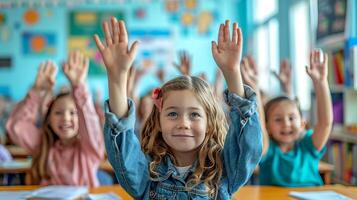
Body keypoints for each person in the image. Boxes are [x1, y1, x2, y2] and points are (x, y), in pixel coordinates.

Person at [93, 17, 262, 199]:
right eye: (172, 113)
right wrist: (117, 79)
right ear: (159, 120)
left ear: (210, 122)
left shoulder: (224, 171)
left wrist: (232, 73)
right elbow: (121, 143)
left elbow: (247, 144)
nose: (183, 123)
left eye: (195, 115)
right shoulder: (147, 174)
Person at [6, 52, 104, 186]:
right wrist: (36, 92)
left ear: (81, 118)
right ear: (48, 120)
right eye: (58, 112)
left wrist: (79, 86)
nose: (65, 118)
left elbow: (90, 124)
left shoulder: (90, 148)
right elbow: (16, 127)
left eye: (73, 112)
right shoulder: (44, 144)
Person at [243, 49, 333, 187]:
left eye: (292, 118)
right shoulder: (268, 150)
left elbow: (325, 123)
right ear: (267, 127)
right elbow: (259, 124)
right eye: (278, 120)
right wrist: (254, 87)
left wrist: (321, 82)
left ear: (303, 124)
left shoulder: (308, 146)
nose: (286, 124)